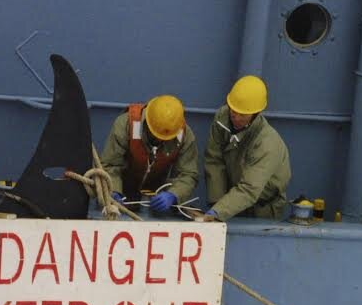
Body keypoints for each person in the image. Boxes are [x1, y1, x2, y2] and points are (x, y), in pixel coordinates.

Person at [200, 75, 291, 221]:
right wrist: (217, 204)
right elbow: (214, 160)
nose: (235, 116)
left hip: (262, 209)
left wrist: (219, 211)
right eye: (233, 110)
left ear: (255, 114)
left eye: (242, 114)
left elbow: (249, 189)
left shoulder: (267, 143)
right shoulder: (222, 118)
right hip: (231, 201)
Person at [98, 95, 198, 213]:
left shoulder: (185, 135)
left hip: (158, 200)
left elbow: (188, 174)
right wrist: (113, 191)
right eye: (155, 134)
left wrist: (173, 195)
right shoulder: (125, 124)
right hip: (123, 194)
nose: (160, 140)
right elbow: (110, 165)